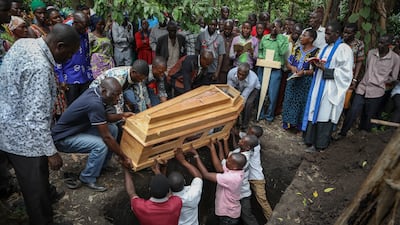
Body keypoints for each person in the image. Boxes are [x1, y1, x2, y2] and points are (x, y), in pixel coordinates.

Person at [0, 23, 80, 225]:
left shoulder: (24, 43)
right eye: (69, 54)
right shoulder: (41, 68)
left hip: (6, 121)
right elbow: (35, 119)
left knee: (34, 185)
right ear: (59, 46)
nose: (69, 59)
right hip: (24, 139)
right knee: (35, 191)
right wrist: (51, 152)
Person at [52, 77, 133, 192]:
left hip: (77, 130)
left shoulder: (95, 92)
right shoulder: (94, 103)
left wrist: (122, 115)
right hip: (63, 138)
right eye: (115, 95)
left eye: (119, 95)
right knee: (101, 145)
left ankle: (102, 165)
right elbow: (106, 137)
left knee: (113, 129)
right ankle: (87, 177)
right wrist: (123, 157)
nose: (117, 99)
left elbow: (103, 117)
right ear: (104, 91)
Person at [302, 21, 353, 152]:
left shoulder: (344, 49)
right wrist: (315, 64)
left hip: (330, 88)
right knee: (314, 111)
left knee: (324, 115)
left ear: (337, 34)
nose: (325, 37)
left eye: (328, 34)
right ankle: (310, 141)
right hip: (318, 84)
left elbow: (346, 73)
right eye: (325, 34)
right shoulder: (325, 48)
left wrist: (326, 70)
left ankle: (320, 145)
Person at [338, 34, 400, 137]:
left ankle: (362, 137)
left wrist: (381, 80)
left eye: (382, 43)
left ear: (389, 45)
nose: (379, 45)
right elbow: (367, 68)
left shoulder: (395, 58)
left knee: (368, 116)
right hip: (362, 87)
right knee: (353, 111)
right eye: (379, 42)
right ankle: (342, 133)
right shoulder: (371, 53)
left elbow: (393, 77)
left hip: (377, 91)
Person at [190, 139, 246, 225]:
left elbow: (206, 174)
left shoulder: (231, 178)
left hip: (228, 215)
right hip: (228, 211)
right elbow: (219, 167)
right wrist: (213, 149)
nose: (226, 161)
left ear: (234, 167)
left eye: (229, 161)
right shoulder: (237, 170)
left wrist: (196, 156)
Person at [282, 29, 319, 131]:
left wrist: (304, 73)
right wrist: (292, 68)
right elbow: (288, 62)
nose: (301, 37)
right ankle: (287, 123)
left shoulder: (317, 52)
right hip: (293, 78)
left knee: (301, 102)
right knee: (289, 100)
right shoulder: (297, 48)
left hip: (305, 81)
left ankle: (297, 125)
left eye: (304, 35)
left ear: (311, 39)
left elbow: (315, 70)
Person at [55, 11, 92, 106]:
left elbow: (86, 54)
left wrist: (90, 74)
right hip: (70, 78)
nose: (86, 29)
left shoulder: (84, 33)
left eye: (87, 26)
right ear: (75, 23)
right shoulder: (64, 34)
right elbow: (58, 59)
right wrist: (61, 79)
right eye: (83, 26)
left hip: (84, 76)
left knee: (85, 105)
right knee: (72, 106)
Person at [257, 19, 289, 122]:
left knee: (272, 94)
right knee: (261, 91)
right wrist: (262, 58)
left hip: (275, 70)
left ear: (281, 28)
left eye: (277, 27)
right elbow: (260, 51)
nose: (274, 29)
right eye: (273, 26)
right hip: (263, 68)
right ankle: (260, 113)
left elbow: (283, 51)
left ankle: (269, 115)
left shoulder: (283, 40)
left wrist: (279, 35)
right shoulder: (265, 38)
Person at [246, 125, 273, 221]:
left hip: (257, 180)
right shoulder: (254, 142)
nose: (246, 133)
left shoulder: (254, 147)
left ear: (253, 136)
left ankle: (272, 220)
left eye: (249, 132)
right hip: (251, 178)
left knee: (263, 201)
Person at [171, 148, 203, 225]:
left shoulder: (169, 200)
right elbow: (198, 176)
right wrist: (183, 161)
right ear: (184, 182)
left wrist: (162, 169)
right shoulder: (193, 195)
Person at [227, 62, 260, 132]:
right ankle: (234, 123)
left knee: (248, 104)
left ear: (248, 74)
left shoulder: (252, 80)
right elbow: (229, 90)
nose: (240, 77)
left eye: (243, 75)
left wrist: (238, 109)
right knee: (231, 99)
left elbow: (243, 98)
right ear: (237, 70)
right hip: (238, 86)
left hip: (253, 89)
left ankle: (244, 125)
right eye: (239, 74)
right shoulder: (231, 73)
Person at [195, 18, 225, 85]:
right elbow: (197, 50)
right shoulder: (201, 36)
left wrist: (217, 71)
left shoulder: (220, 38)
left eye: (214, 25)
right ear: (208, 24)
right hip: (202, 69)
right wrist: (197, 67)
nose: (213, 27)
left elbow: (221, 55)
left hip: (213, 69)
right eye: (211, 25)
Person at [89, 15, 115, 79]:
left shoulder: (106, 35)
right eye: (100, 24)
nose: (102, 26)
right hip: (97, 65)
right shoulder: (90, 36)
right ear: (95, 25)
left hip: (108, 63)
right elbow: (88, 53)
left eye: (103, 24)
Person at [219, 19, 235, 84]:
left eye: (229, 29)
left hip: (232, 66)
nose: (227, 31)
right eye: (225, 29)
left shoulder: (236, 37)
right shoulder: (219, 36)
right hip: (221, 67)